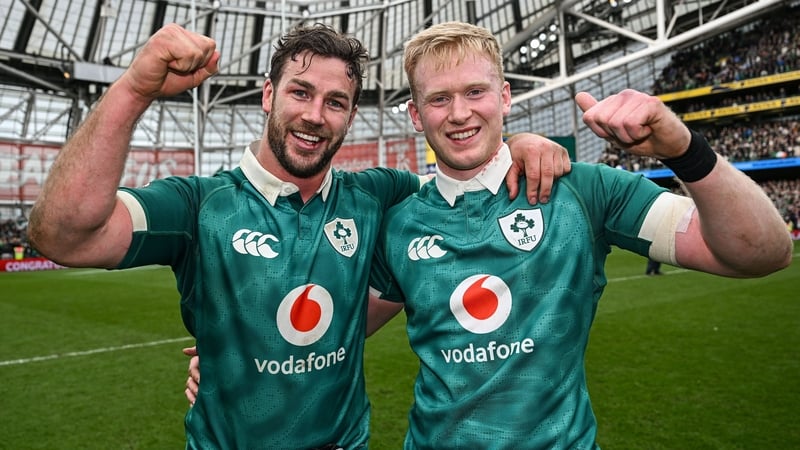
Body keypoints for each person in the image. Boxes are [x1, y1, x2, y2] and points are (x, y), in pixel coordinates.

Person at [27, 22, 570, 449]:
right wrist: (134, 88)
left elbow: (464, 168)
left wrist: (518, 142)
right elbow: (65, 236)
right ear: (268, 95)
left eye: (335, 102)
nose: (315, 115)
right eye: (301, 92)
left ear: (351, 116)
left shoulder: (378, 195)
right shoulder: (199, 204)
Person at [364, 22, 792, 449]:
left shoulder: (584, 190)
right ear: (417, 116)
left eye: (475, 91)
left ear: (505, 96)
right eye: (440, 99)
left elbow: (763, 252)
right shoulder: (401, 221)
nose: (459, 113)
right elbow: (333, 331)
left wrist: (683, 148)